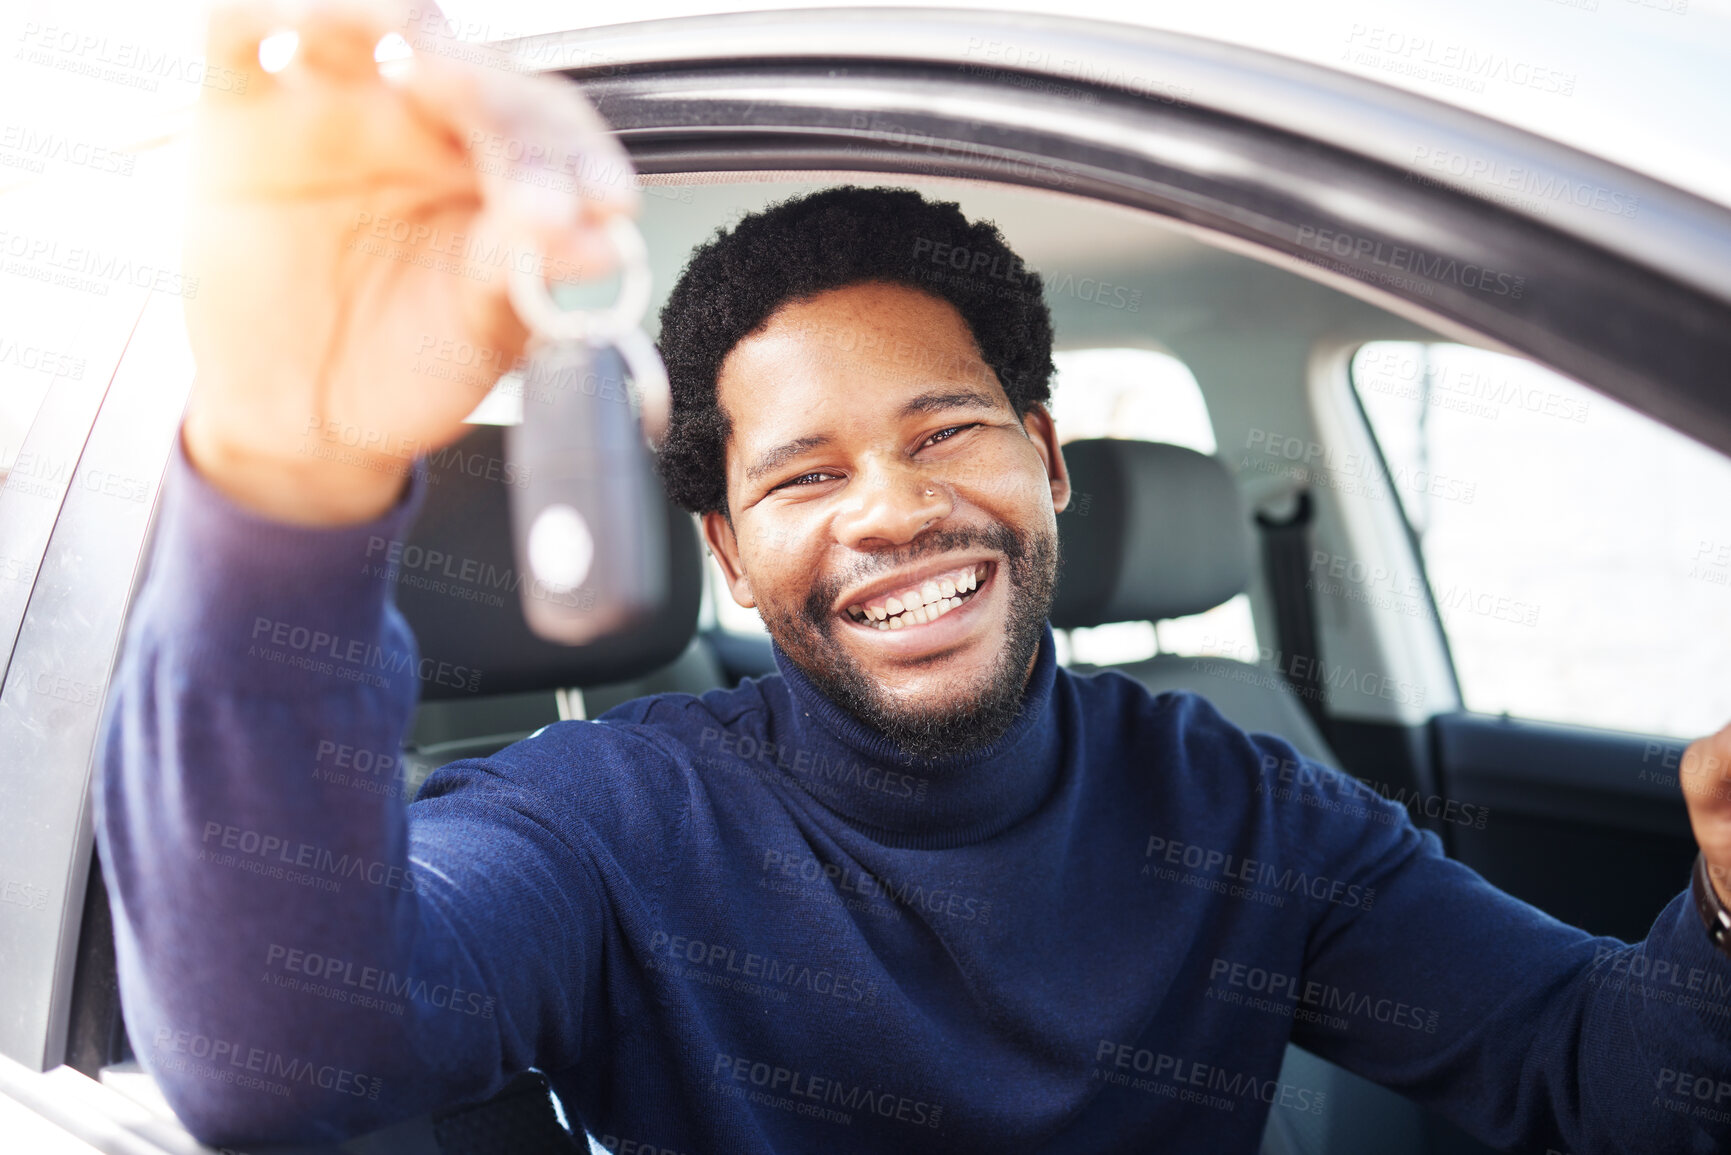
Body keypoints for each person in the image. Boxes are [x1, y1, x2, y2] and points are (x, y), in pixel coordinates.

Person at [98, 2, 1731, 1152]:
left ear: (1049, 462)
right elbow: (281, 1050)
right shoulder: (606, 820)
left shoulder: (1243, 804)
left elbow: (1598, 1079)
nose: (891, 511)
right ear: (728, 551)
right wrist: (288, 479)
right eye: (804, 477)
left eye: (947, 436)